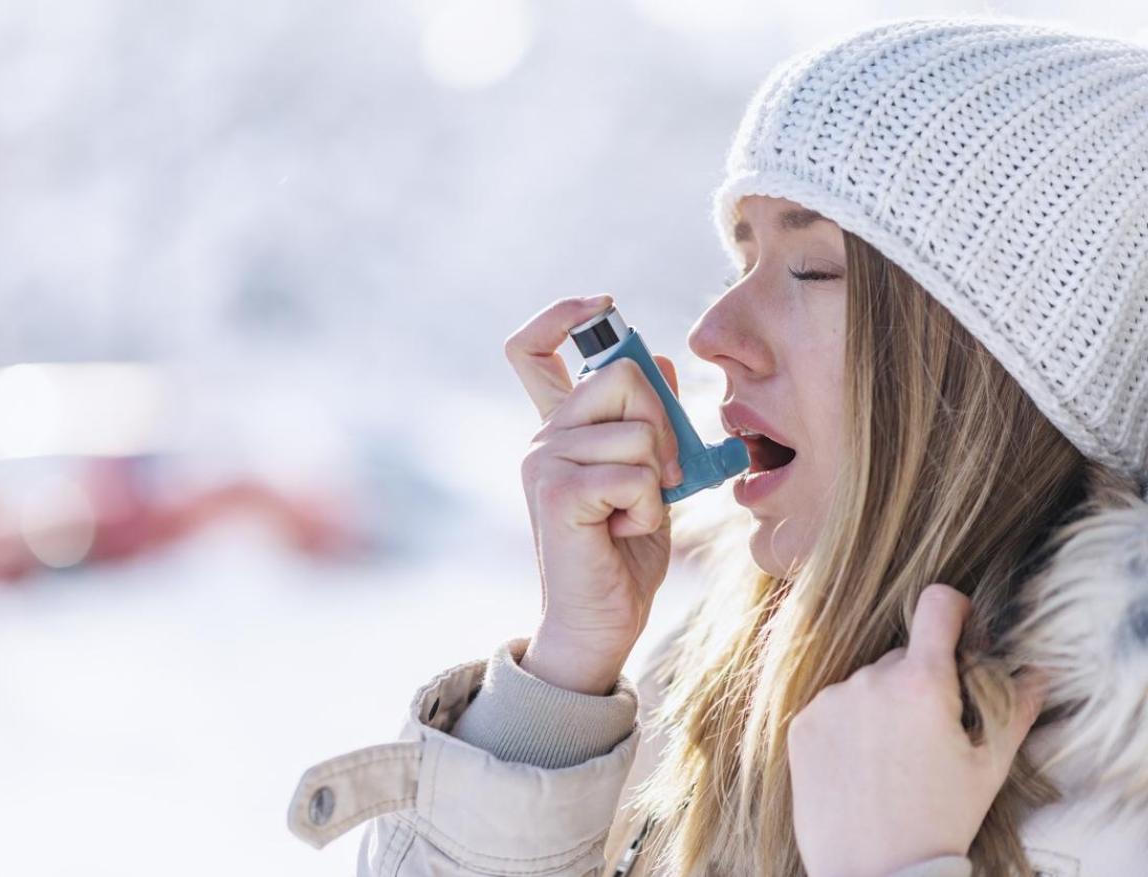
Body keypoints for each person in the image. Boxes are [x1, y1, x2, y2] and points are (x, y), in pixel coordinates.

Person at [287, 15, 1148, 876]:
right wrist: (558, 692)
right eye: (743, 262)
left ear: (999, 368)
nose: (711, 333)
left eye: (810, 268)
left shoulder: (1120, 799)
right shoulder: (708, 692)